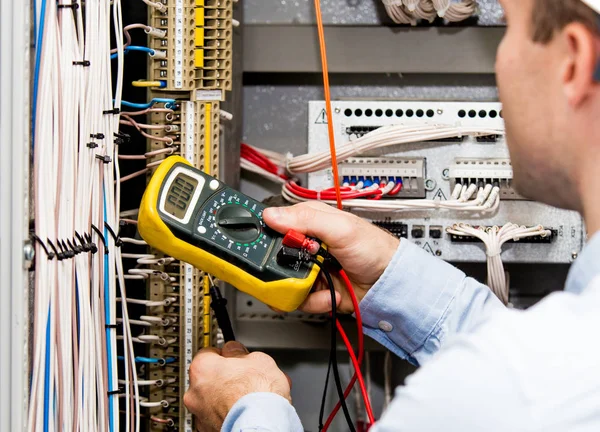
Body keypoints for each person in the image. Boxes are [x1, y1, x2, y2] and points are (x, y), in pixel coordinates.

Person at [183, 0, 600, 430]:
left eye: (508, 28)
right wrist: (389, 275)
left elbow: (514, 382)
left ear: (573, 60)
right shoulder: (556, 364)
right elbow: (525, 362)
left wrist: (249, 410)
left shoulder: (513, 391)